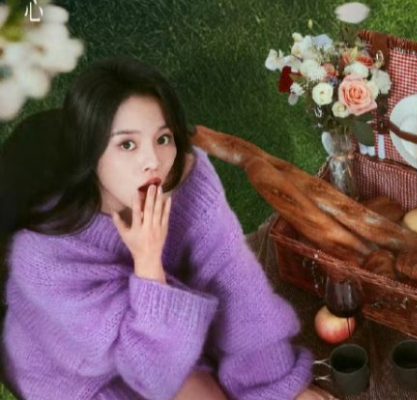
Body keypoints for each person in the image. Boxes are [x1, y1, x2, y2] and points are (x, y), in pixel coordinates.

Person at [0, 58, 332, 399]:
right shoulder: (44, 258)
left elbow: (235, 283)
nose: (153, 162)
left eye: (162, 138)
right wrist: (148, 264)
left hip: (166, 339)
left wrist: (279, 387)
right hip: (79, 377)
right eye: (127, 145)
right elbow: (154, 376)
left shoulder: (185, 179)